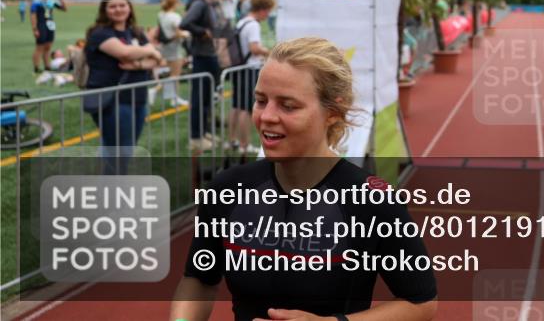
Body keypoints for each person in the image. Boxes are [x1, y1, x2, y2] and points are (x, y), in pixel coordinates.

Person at [171, 37, 438, 321]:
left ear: (332, 114)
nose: (267, 117)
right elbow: (199, 280)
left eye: (288, 106)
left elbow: (421, 302)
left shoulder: (373, 200)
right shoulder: (227, 189)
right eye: (261, 101)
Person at [82, 0, 163, 161]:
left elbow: (158, 60)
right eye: (112, 6)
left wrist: (138, 64)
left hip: (138, 98)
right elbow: (125, 53)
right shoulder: (100, 33)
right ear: (104, 10)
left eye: (122, 5)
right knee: (119, 153)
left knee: (126, 149)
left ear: (130, 8)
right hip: (112, 100)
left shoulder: (136, 32)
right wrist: (149, 50)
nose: (118, 9)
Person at [181, 0, 229, 152]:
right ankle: (195, 136)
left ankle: (203, 132)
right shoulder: (200, 4)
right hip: (202, 55)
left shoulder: (214, 4)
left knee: (208, 99)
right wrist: (202, 32)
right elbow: (185, 23)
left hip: (212, 54)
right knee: (199, 98)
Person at [227, 0, 275, 154]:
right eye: (268, 11)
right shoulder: (253, 24)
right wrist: (268, 52)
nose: (268, 15)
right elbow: (254, 48)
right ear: (263, 9)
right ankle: (244, 145)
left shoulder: (242, 21)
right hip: (248, 69)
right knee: (246, 109)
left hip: (238, 67)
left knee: (236, 106)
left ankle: (232, 140)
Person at [157, 0, 190, 107]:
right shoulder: (174, 16)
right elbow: (178, 32)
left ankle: (172, 97)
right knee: (175, 74)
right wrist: (187, 34)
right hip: (175, 46)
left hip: (166, 46)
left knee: (173, 73)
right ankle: (159, 91)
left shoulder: (162, 14)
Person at [31, 0, 67, 73]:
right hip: (41, 25)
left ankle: (47, 66)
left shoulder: (51, 1)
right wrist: (35, 29)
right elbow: (33, 15)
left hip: (50, 25)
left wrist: (62, 0)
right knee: (39, 47)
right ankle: (36, 68)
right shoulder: (36, 2)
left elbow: (64, 9)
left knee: (48, 47)